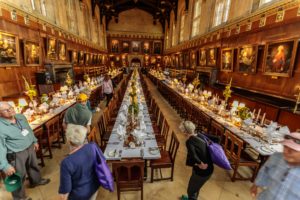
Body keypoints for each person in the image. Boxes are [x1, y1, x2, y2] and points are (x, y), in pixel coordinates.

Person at [0, 101, 50, 200]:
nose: (10, 110)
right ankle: (20, 198)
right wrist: (5, 165)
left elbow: (28, 129)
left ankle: (36, 181)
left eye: (10, 107)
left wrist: (34, 141)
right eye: (6, 110)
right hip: (16, 153)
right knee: (19, 176)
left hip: (29, 147)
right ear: (0, 113)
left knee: (33, 166)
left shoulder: (20, 117)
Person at [250, 132, 300, 200]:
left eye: (293, 150)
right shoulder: (277, 157)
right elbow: (265, 170)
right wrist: (256, 184)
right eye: (285, 147)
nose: (286, 151)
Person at [59, 124, 100, 200]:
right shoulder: (92, 146)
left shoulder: (66, 163)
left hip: (79, 196)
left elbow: (64, 193)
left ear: (68, 140)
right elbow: (102, 162)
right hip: (94, 187)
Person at [179, 121, 217, 200]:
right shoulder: (200, 135)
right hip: (209, 168)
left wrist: (200, 163)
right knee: (196, 187)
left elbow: (193, 156)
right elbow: (217, 139)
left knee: (191, 190)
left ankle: (192, 198)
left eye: (182, 131)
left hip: (202, 172)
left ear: (185, 132)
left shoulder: (189, 142)